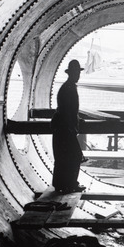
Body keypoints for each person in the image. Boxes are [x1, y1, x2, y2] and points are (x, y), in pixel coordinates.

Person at [51, 59, 85, 194]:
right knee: (74, 156)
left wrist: (75, 120)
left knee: (63, 156)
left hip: (63, 126)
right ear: (71, 73)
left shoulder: (68, 87)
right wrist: (72, 126)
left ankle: (61, 185)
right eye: (76, 72)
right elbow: (67, 110)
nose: (78, 75)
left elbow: (69, 109)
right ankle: (70, 184)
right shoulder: (69, 88)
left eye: (78, 72)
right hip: (65, 127)